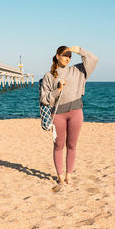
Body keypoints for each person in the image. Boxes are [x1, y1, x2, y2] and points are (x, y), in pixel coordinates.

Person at [40, 46, 98, 187]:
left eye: (70, 56)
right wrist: (58, 90)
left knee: (72, 145)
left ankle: (68, 176)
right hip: (57, 114)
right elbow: (44, 99)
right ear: (57, 55)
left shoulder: (78, 70)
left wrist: (79, 50)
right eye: (65, 55)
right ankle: (60, 177)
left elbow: (94, 60)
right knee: (58, 146)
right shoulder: (49, 76)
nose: (67, 58)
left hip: (76, 112)